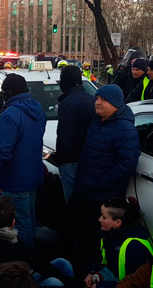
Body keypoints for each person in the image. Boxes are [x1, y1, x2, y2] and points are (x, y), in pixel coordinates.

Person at [62, 84, 140, 276]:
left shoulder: (125, 129)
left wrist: (98, 182)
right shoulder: (96, 121)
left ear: (115, 103)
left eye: (103, 100)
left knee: (89, 239)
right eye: (97, 98)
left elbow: (127, 164)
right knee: (66, 226)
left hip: (101, 196)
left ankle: (82, 274)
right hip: (83, 189)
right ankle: (65, 265)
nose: (97, 102)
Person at [0, 73, 47, 248]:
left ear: (8, 92)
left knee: (18, 225)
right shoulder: (37, 108)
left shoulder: (10, 115)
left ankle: (23, 264)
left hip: (15, 178)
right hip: (34, 174)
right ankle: (31, 257)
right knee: (29, 217)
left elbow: (1, 151)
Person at [84, 197, 153, 288]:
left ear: (118, 222)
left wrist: (102, 286)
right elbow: (103, 258)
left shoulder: (136, 248)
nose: (99, 219)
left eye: (104, 217)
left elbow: (137, 284)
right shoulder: (109, 233)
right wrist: (92, 271)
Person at [51, 65, 96, 202]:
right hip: (88, 157)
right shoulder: (91, 99)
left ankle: (71, 221)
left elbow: (65, 136)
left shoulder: (68, 103)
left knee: (71, 199)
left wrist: (58, 158)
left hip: (70, 160)